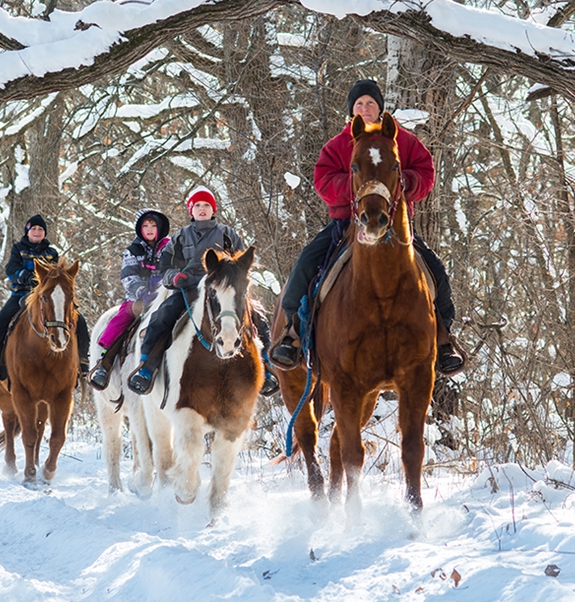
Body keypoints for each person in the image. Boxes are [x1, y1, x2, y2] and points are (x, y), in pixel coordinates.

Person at [269, 79, 466, 376]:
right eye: (359, 104)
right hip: (346, 224)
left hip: (396, 226)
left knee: (435, 270)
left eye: (370, 104)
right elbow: (323, 180)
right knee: (307, 262)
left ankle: (443, 339)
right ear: (352, 111)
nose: (365, 109)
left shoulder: (403, 141)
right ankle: (291, 334)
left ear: (380, 108)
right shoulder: (338, 145)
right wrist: (361, 187)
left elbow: (425, 170)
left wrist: (404, 182)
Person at [126, 186, 280, 396]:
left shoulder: (227, 233)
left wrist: (233, 277)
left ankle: (267, 368)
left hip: (223, 288)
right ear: (191, 210)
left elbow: (242, 262)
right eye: (197, 205)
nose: (202, 209)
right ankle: (146, 368)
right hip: (188, 287)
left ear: (213, 209)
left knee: (257, 315)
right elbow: (165, 267)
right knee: (162, 315)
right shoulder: (180, 237)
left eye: (206, 205)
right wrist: (175, 278)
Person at [0, 214, 90, 381]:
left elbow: (58, 275)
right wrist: (26, 277)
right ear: (27, 231)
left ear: (45, 233)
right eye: (33, 228)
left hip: (48, 296)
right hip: (22, 293)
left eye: (40, 229)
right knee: (2, 319)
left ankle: (83, 360)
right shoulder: (18, 249)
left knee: (80, 320)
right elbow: (11, 269)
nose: (37, 231)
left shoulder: (51, 252)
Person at [88, 208, 172, 390]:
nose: (149, 229)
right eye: (146, 226)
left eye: (153, 226)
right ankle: (105, 361)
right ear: (140, 229)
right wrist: (141, 291)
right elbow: (128, 276)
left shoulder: (168, 247)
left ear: (160, 228)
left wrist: (161, 285)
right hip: (139, 298)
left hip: (163, 296)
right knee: (124, 316)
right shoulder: (133, 250)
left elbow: (171, 269)